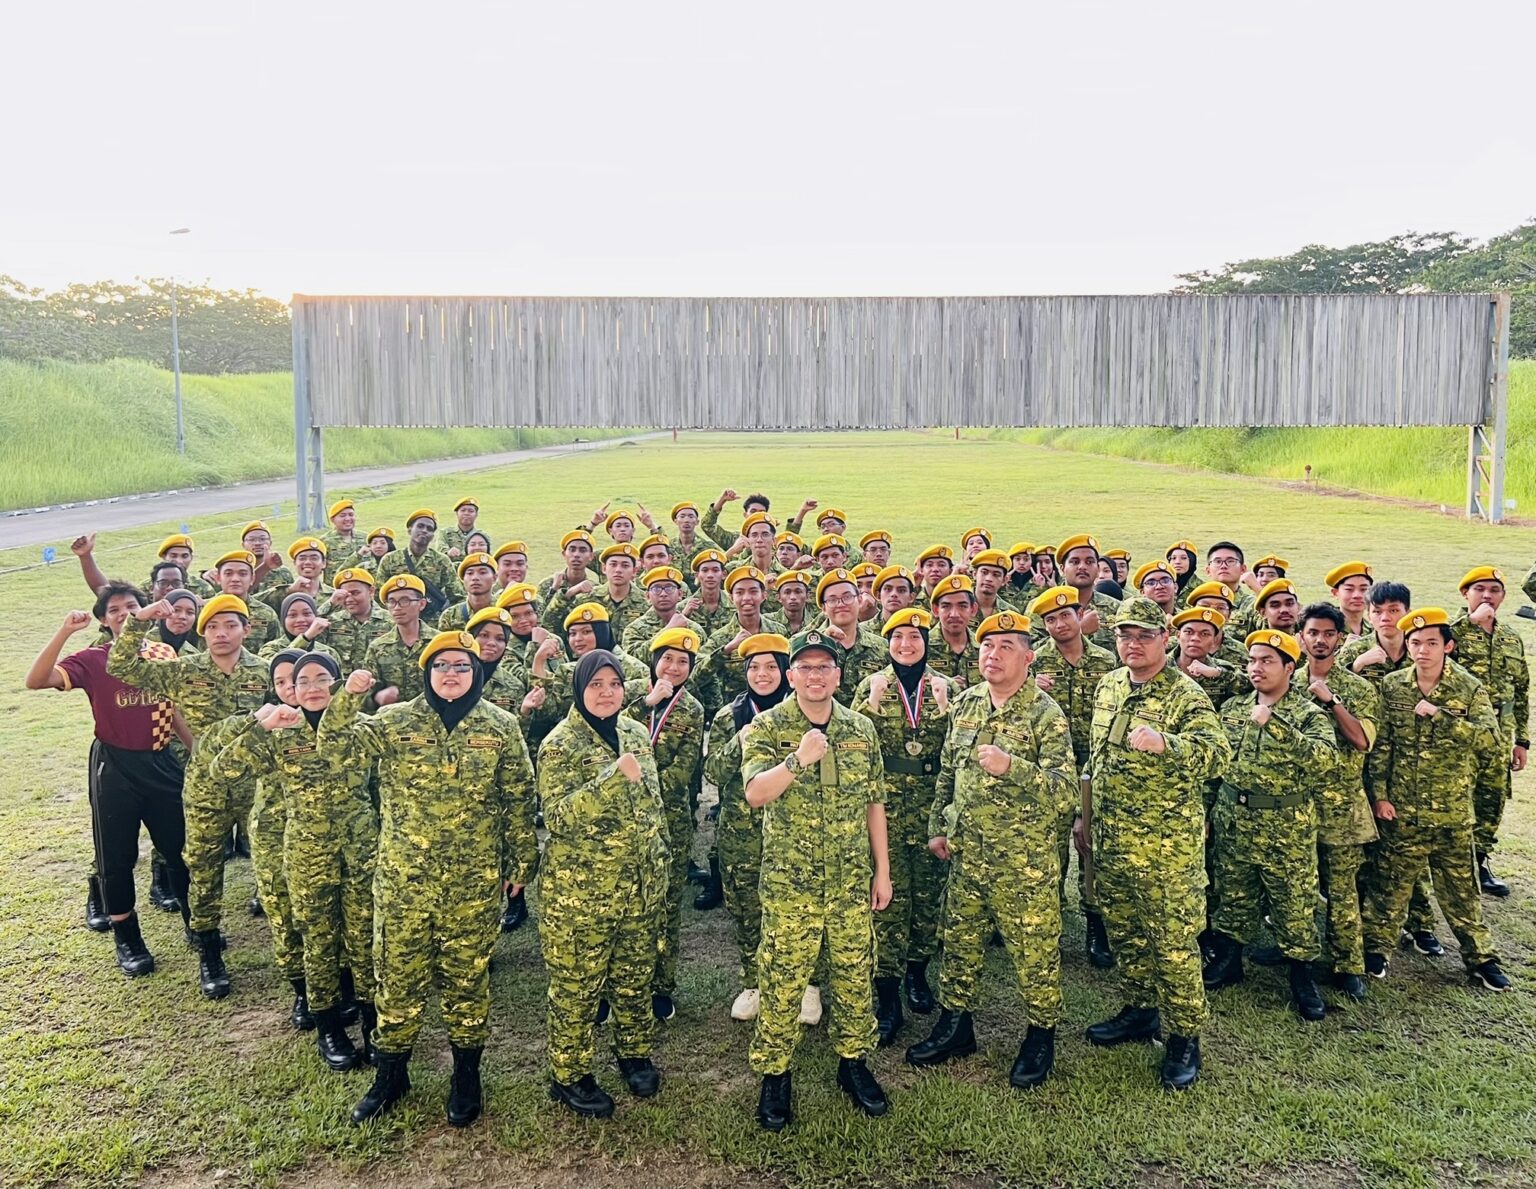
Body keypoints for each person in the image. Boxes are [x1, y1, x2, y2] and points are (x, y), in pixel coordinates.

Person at [322, 631, 538, 1126]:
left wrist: (522, 865)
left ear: (476, 672)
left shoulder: (500, 725)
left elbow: (519, 797)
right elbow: (334, 747)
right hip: (404, 879)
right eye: (441, 666)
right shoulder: (396, 722)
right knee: (397, 980)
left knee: (468, 980)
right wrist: (349, 696)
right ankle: (391, 1074)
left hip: (473, 880)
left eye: (462, 666)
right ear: (426, 672)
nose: (452, 675)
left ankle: (466, 1075)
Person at [906, 610, 1075, 1090]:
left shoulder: (1046, 714)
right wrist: (939, 825)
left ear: (1028, 656)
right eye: (986, 646)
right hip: (968, 855)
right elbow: (947, 772)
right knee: (959, 946)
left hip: (1024, 864)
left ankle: (1041, 1034)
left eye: (1005, 647)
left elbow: (1065, 792)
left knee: (1034, 954)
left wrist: (1012, 767)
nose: (992, 655)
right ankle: (955, 1024)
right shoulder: (967, 704)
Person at [741, 630, 892, 1130]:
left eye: (823, 667)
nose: (814, 676)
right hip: (792, 885)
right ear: (791, 676)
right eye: (804, 668)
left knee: (853, 977)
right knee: (783, 982)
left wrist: (882, 872)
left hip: (850, 880)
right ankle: (775, 1075)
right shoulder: (766, 727)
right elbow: (755, 794)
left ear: (838, 675)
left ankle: (853, 1065)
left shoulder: (860, 729)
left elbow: (875, 803)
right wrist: (798, 758)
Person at [1085, 596, 1230, 1090]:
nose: (1133, 644)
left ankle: (1186, 1036)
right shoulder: (1108, 685)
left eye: (1144, 635)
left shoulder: (1185, 696)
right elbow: (1096, 757)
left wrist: (1169, 743)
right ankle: (1141, 1010)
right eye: (1125, 635)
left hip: (1165, 850)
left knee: (1171, 945)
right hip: (1113, 839)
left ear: (1165, 639)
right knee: (1126, 933)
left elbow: (1218, 756)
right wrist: (1086, 819)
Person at [107, 594, 270, 998]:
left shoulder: (264, 672)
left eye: (230, 625)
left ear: (246, 630)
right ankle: (209, 951)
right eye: (212, 627)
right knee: (203, 867)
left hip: (256, 784)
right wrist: (140, 620)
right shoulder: (182, 670)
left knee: (271, 864)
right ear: (203, 632)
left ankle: (296, 960)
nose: (220, 633)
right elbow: (121, 665)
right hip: (206, 788)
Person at [25, 588, 190, 976]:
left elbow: (174, 707)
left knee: (179, 848)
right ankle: (127, 938)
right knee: (117, 857)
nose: (123, 613)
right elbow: (36, 680)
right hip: (115, 766)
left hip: (161, 761)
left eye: (131, 606)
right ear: (103, 620)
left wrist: (193, 747)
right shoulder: (94, 659)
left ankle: (195, 923)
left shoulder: (164, 653)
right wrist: (65, 631)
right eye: (113, 610)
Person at [536, 649, 670, 1117]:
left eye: (614, 685)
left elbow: (651, 803)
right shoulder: (559, 745)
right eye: (596, 685)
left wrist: (661, 861)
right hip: (580, 895)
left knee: (634, 979)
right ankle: (569, 1074)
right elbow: (556, 816)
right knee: (577, 986)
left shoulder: (634, 731)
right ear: (579, 688)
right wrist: (613, 778)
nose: (607, 693)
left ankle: (634, 1053)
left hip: (638, 885)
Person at [1359, 609, 1511, 991]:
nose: (1422, 650)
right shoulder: (1394, 687)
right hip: (1404, 811)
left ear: (1449, 646)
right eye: (1414, 643)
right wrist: (1380, 796)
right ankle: (1376, 951)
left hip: (1452, 811)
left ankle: (1481, 958)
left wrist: (1443, 718)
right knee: (1389, 889)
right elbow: (1382, 748)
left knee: (1461, 892)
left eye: (1431, 643)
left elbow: (1491, 743)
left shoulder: (1469, 688)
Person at [1202, 630, 1336, 1022]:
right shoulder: (1233, 709)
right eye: (1252, 661)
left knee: (1294, 901)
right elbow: (1216, 766)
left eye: (1266, 661)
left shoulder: (1307, 713)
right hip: (1235, 818)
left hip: (1285, 825)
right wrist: (1208, 811)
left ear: (1289, 668)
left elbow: (1325, 761)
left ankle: (1301, 976)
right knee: (1233, 894)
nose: (1255, 669)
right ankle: (1229, 962)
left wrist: (1274, 725)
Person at [855, 608, 953, 1043]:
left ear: (925, 643)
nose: (906, 645)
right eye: (897, 639)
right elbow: (856, 744)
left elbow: (958, 748)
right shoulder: (871, 685)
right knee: (887, 900)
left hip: (930, 803)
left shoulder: (943, 686)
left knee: (929, 897)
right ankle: (888, 995)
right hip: (888, 806)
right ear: (887, 643)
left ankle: (918, 973)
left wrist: (947, 707)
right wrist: (873, 704)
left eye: (914, 638)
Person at [1028, 586, 1119, 968]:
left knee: (1091, 846)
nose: (1059, 624)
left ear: (1079, 616)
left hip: (1093, 765)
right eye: (1050, 619)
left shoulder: (1106, 661)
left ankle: (1096, 925)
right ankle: (1051, 926)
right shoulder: (1034, 662)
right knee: (1048, 849)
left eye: (1065, 615)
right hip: (1049, 767)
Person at [1294, 602, 1380, 1002]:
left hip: (1342, 806)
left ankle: (1348, 964)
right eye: (1313, 633)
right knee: (1299, 888)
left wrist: (1331, 701)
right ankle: (1301, 959)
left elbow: (1362, 741)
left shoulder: (1360, 688)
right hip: (1295, 805)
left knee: (1343, 891)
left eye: (1329, 634)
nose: (1320, 640)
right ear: (1301, 637)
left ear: (1341, 640)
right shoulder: (1285, 683)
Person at [706, 633, 791, 1022]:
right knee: (746, 907)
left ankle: (805, 985)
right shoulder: (729, 717)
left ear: (785, 671)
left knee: (795, 908)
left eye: (772, 666)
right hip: (741, 831)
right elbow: (713, 772)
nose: (763, 674)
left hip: (791, 827)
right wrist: (737, 743)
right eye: (754, 667)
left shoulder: (799, 712)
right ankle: (754, 982)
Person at [627, 628, 706, 1022]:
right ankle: (618, 985)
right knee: (625, 904)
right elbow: (609, 734)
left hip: (669, 817)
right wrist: (646, 703)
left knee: (665, 905)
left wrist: (640, 784)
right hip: (621, 818)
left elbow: (684, 769)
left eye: (682, 662)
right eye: (667, 658)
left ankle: (661, 985)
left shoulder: (692, 709)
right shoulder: (629, 693)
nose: (673, 667)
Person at [1449, 566, 1529, 897]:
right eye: (1479, 589)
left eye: (1494, 590)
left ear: (1503, 597)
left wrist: (1520, 740)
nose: (1487, 596)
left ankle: (1479, 864)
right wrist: (1470, 623)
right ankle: (1449, 870)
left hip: (1498, 734)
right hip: (1457, 732)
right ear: (1464, 594)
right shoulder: (1451, 631)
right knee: (1453, 801)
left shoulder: (1511, 637)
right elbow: (1427, 654)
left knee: (1490, 801)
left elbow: (1520, 692)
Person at [375, 509, 464, 617]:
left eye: (429, 529)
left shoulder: (441, 560)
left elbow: (457, 596)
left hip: (432, 621)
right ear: (409, 530)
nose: (424, 531)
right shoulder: (390, 559)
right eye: (420, 526)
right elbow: (378, 596)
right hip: (398, 620)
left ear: (432, 536)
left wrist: (444, 617)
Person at [1326, 561, 1373, 640]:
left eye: (1363, 589)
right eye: (1349, 589)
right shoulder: (1325, 628)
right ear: (1335, 593)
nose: (1357, 595)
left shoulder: (1374, 630)